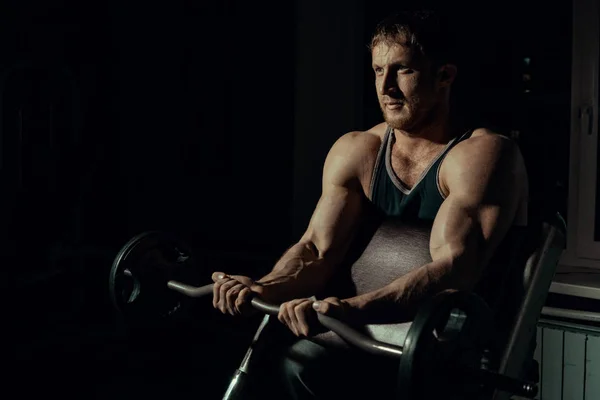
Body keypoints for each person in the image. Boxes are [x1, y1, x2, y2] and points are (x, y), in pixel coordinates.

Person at [212, 9, 528, 399]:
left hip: (442, 344)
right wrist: (263, 288)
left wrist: (351, 310)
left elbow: (453, 269)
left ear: (444, 76)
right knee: (285, 358)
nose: (387, 87)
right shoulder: (359, 150)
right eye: (379, 71)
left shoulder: (481, 156)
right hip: (361, 329)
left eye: (403, 70)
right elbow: (316, 250)